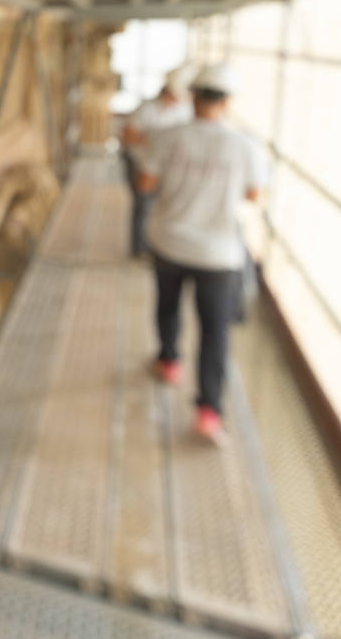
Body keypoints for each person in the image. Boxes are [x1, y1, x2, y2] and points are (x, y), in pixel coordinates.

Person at [135, 63, 267, 444]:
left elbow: (145, 183)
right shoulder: (245, 146)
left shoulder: (167, 136)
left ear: (193, 96)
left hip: (169, 240)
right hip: (218, 254)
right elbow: (256, 195)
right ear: (226, 101)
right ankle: (209, 411)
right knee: (215, 332)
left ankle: (168, 361)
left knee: (168, 304)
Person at [120, 66, 193, 257]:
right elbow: (127, 136)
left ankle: (157, 245)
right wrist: (154, 141)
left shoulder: (184, 111)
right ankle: (139, 248)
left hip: (167, 167)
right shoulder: (147, 109)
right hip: (140, 162)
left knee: (160, 206)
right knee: (143, 204)